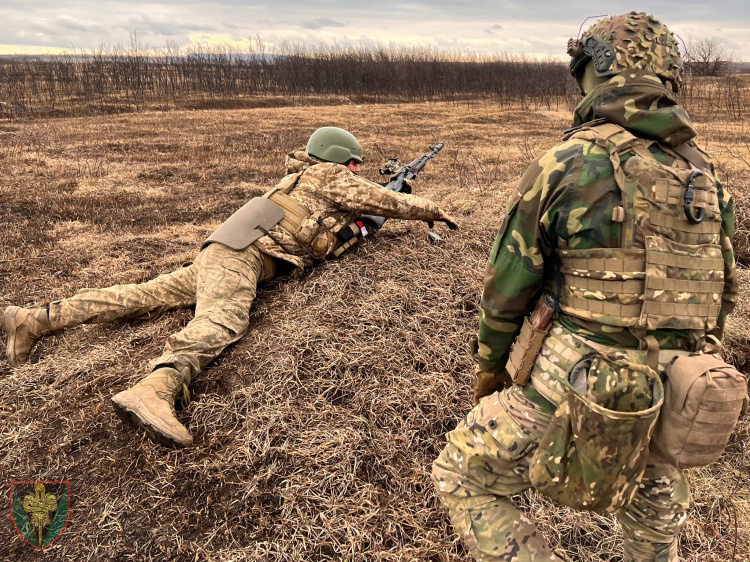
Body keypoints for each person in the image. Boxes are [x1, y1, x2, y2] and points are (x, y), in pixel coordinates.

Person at [432, 12, 738, 562]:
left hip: (574, 380)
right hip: (677, 392)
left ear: (593, 74)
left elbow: (507, 287)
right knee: (652, 538)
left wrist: (491, 371)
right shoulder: (707, 176)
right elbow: (726, 292)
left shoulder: (568, 161)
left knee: (462, 474)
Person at [3, 126, 457, 447]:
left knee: (141, 295)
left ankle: (34, 319)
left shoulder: (298, 178)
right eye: (354, 163)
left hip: (226, 249)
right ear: (340, 159)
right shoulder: (328, 176)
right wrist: (431, 206)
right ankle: (157, 388)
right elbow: (385, 200)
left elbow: (342, 222)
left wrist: (356, 227)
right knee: (222, 319)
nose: (358, 170)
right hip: (242, 257)